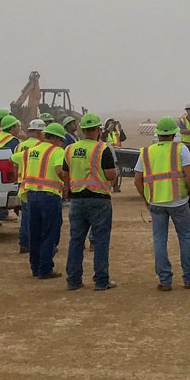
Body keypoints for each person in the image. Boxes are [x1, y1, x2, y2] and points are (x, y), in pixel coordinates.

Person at [134, 116, 190, 291]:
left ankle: (165, 281)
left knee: (159, 240)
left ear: (157, 134)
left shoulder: (146, 152)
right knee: (185, 237)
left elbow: (137, 180)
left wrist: (146, 198)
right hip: (179, 201)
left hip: (156, 202)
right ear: (174, 134)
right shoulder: (181, 149)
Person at [64, 113, 118, 291]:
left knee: (76, 241)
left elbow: (65, 174)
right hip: (99, 199)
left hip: (77, 200)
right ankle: (101, 281)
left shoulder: (70, 149)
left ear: (82, 130)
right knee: (101, 241)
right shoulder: (102, 149)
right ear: (98, 130)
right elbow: (110, 174)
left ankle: (73, 280)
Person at [22, 123, 69, 279]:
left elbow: (15, 159)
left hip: (31, 195)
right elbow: (59, 171)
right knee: (49, 233)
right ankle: (45, 269)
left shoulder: (33, 150)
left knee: (34, 233)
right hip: (49, 196)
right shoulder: (58, 151)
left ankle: (35, 267)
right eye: (61, 140)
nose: (61, 143)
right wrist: (67, 184)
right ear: (56, 139)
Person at [11, 119, 45, 253]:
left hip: (22, 182)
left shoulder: (19, 146)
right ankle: (36, 244)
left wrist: (17, 180)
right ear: (39, 132)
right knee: (38, 216)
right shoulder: (40, 146)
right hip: (35, 183)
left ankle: (24, 243)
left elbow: (15, 166)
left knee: (25, 214)